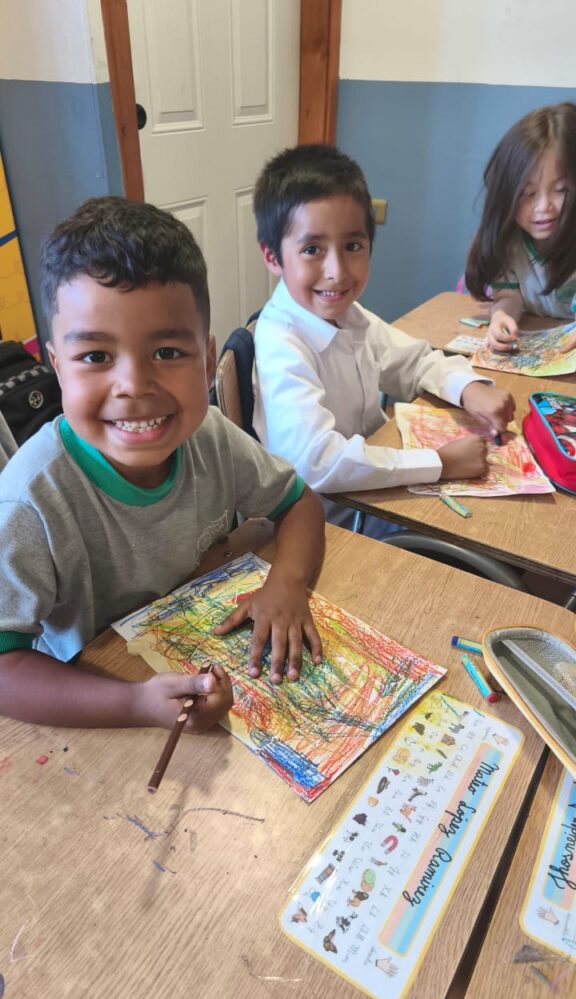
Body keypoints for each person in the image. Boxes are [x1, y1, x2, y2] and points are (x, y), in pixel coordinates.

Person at [0, 197, 324, 731]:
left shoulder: (210, 436)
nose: (133, 385)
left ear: (207, 359)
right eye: (95, 357)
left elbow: (299, 503)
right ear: (58, 367)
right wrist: (137, 704)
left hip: (198, 654)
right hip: (97, 707)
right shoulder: (30, 500)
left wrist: (287, 582)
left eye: (168, 353)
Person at [252, 144, 515, 502]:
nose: (337, 272)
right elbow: (316, 462)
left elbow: (414, 362)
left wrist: (469, 388)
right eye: (312, 249)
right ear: (272, 256)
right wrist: (440, 463)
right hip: (332, 515)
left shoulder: (348, 315)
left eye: (352, 246)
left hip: (377, 493)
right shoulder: (281, 343)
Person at [466, 102, 576, 352]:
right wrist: (501, 317)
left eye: (560, 190)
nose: (543, 207)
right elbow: (509, 296)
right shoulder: (508, 243)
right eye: (528, 193)